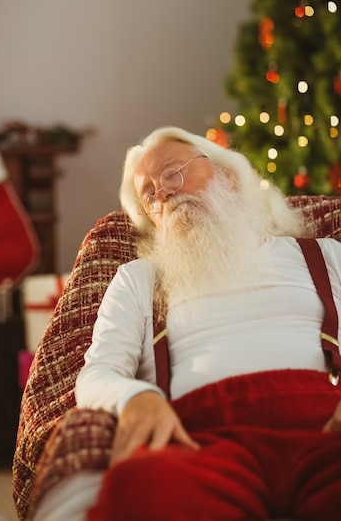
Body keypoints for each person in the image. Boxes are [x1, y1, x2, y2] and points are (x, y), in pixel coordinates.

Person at [33, 126, 341, 521]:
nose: (162, 193)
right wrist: (135, 399)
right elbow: (98, 373)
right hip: (200, 444)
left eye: (173, 173)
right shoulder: (137, 279)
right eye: (149, 195)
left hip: (322, 428)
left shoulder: (325, 255)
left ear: (228, 176)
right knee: (139, 487)